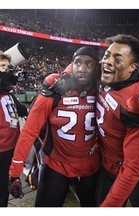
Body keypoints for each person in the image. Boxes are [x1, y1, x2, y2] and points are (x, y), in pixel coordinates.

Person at [8, 46, 101, 207]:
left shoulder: (102, 90)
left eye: (89, 64)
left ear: (96, 68)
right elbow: (29, 131)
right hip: (56, 164)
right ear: (72, 63)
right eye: (78, 62)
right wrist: (15, 173)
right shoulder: (55, 88)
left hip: (90, 165)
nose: (82, 68)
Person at [95, 34, 139, 207]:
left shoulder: (137, 99)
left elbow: (133, 168)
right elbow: (80, 65)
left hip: (135, 172)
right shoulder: (102, 74)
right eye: (107, 55)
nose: (108, 62)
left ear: (131, 68)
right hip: (106, 165)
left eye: (117, 59)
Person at [0, 52, 27, 207]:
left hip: (12, 146)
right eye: (2, 66)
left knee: (8, 183)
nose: (7, 70)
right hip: (1, 149)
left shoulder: (7, 92)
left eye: (7, 66)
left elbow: (19, 110)